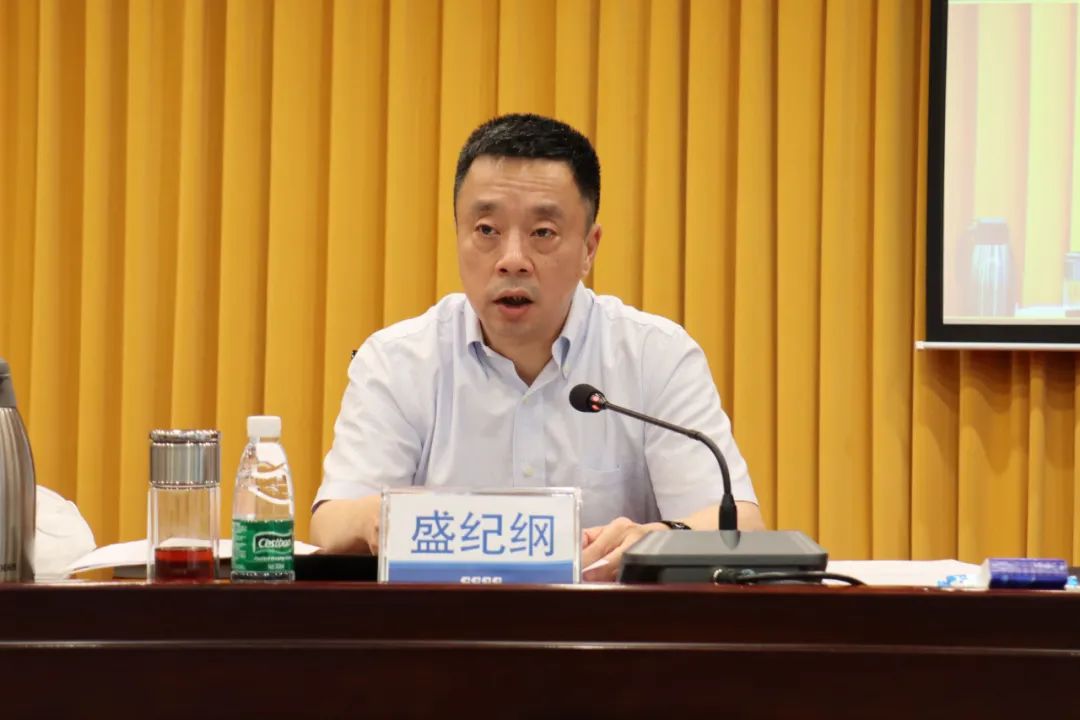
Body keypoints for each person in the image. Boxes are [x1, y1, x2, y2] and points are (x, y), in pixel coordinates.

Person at [310, 113, 764, 580]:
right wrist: (379, 519)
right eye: (486, 230)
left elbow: (740, 527)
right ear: (458, 235)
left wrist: (662, 535)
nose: (512, 260)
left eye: (542, 233)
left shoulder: (656, 356)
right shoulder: (398, 360)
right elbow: (331, 521)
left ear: (589, 248)